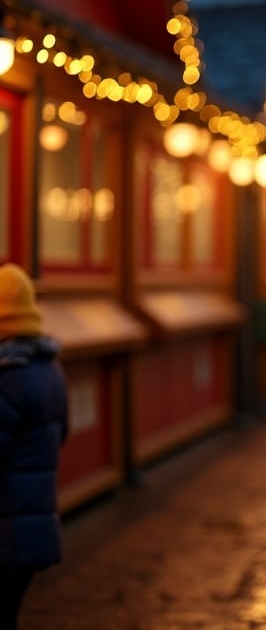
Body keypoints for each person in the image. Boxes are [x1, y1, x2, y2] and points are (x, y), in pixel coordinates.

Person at [0, 264, 68, 629]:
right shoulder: (48, 367)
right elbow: (63, 434)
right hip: (33, 528)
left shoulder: (8, 377)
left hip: (7, 529)